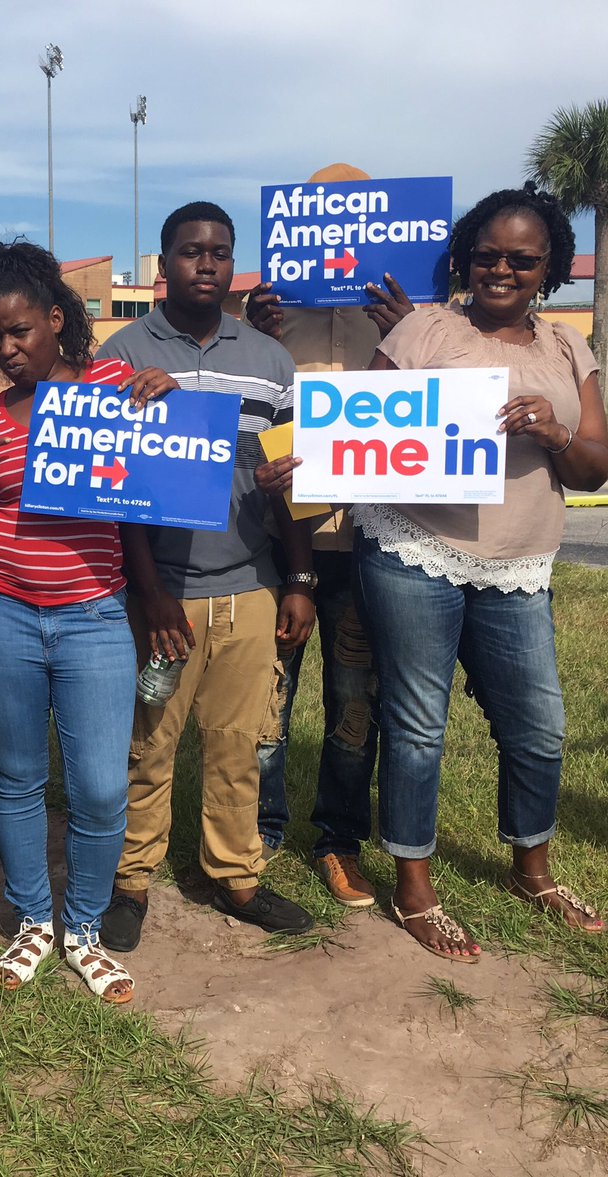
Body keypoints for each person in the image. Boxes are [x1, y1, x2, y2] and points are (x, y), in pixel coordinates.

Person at [348, 185, 608, 959]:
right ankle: (414, 887)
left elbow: (594, 468)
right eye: (487, 255)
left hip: (520, 562)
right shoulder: (425, 328)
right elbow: (356, 429)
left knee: (539, 724)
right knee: (417, 723)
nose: (502, 269)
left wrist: (555, 432)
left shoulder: (568, 350)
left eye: (522, 260)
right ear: (464, 258)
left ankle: (533, 868)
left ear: (550, 268)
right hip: (414, 547)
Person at [0, 236, 176, 1004]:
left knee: (101, 788)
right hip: (1, 611)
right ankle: (35, 920)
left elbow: (160, 464)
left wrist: (167, 397)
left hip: (95, 615)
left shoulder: (111, 386)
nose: (7, 348)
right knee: (15, 778)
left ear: (56, 320)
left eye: (20, 331)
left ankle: (85, 928)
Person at [95, 201, 317, 954]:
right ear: (165, 265)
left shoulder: (271, 360)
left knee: (238, 745)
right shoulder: (121, 353)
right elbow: (109, 487)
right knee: (147, 744)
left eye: (221, 252)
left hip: (250, 584)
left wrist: (300, 579)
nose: (208, 264)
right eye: (192, 251)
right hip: (161, 595)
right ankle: (131, 879)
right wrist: (149, 592)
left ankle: (235, 875)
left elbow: (291, 480)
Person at [246, 162, 414, 906]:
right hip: (283, 539)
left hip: (372, 538)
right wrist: (255, 337)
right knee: (268, 697)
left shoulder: (412, 315)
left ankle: (339, 840)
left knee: (354, 703)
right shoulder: (271, 317)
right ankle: (260, 829)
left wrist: (409, 334)